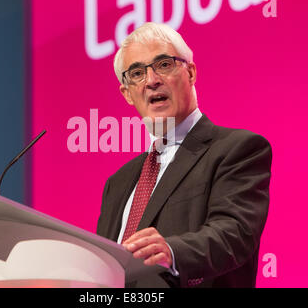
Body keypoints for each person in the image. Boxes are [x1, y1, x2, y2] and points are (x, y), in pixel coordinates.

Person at [96, 22, 272, 288]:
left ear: (190, 72)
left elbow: (234, 235)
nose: (152, 80)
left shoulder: (236, 149)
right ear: (127, 94)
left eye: (164, 65)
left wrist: (173, 252)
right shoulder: (117, 183)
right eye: (137, 73)